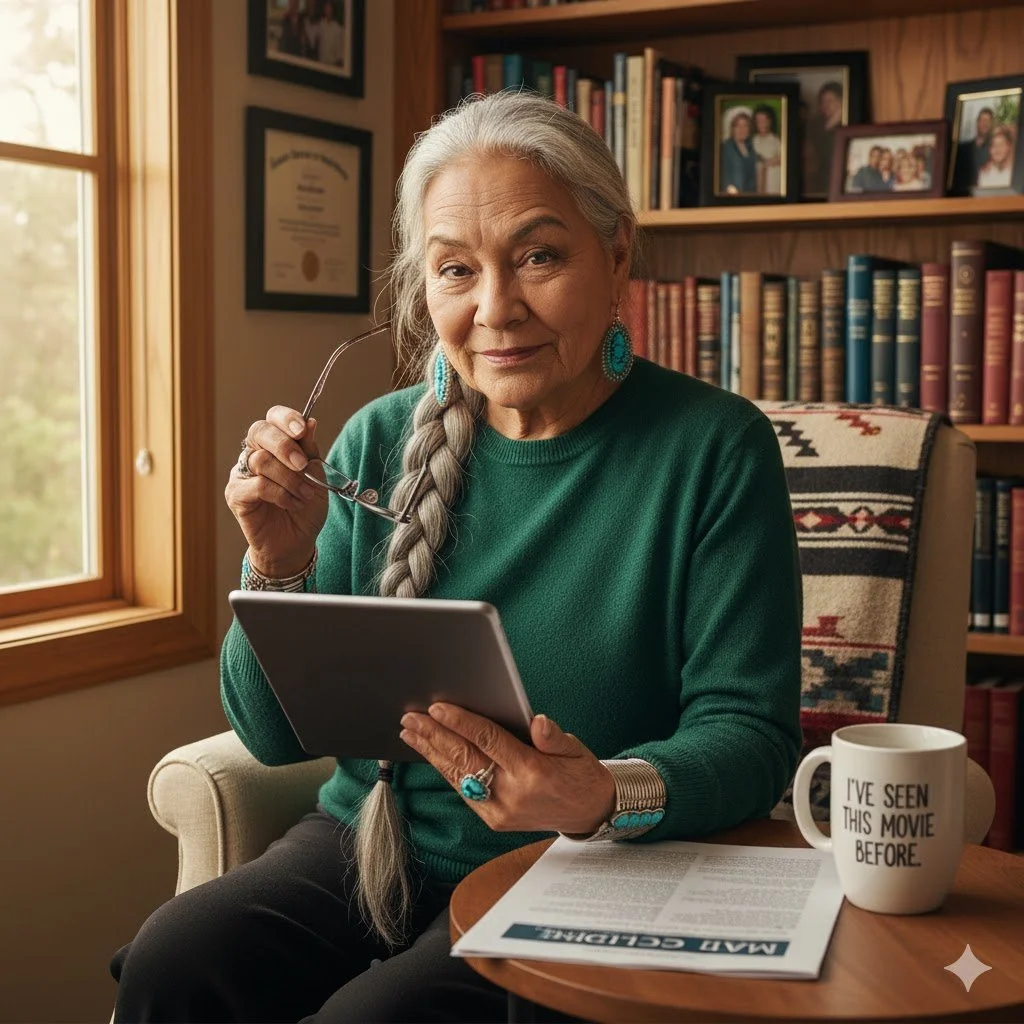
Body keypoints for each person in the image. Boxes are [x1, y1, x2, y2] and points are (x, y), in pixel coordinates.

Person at [108, 91, 803, 1023]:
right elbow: (277, 739)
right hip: (368, 841)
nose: (496, 308)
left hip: (578, 867)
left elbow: (753, 737)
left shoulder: (716, 449)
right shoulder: (373, 440)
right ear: (423, 286)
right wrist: (276, 561)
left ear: (618, 256)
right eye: (455, 270)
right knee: (173, 959)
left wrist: (600, 793)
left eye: (539, 256)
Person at [804, 81, 843, 195]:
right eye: (822, 102)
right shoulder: (814, 123)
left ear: (841, 102)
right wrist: (830, 125)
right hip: (819, 180)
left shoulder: (848, 122)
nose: (825, 106)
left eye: (830, 101)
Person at [720, 110, 758, 194]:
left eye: (745, 126)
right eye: (738, 126)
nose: (742, 129)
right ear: (732, 128)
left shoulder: (750, 147)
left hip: (749, 195)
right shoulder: (726, 147)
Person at [752, 104, 782, 195]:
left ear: (770, 121)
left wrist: (775, 160)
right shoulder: (753, 141)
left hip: (774, 186)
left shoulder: (777, 141)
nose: (762, 124)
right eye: (759, 121)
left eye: (765, 121)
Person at [317, 0, 346, 68]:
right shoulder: (320, 24)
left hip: (333, 64)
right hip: (321, 63)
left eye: (329, 8)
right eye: (326, 8)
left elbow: (340, 53)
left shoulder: (338, 29)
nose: (328, 10)